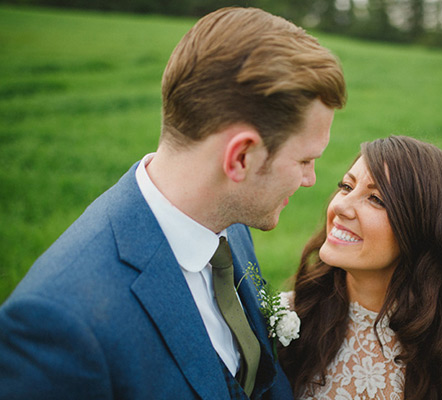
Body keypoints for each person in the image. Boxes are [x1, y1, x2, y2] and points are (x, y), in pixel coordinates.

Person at [0, 7, 346, 400]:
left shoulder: (229, 222)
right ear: (240, 158)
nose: (311, 179)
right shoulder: (60, 326)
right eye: (304, 160)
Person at [279, 136, 442, 399]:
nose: (340, 205)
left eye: (375, 199)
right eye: (347, 186)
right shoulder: (290, 316)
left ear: (420, 230)